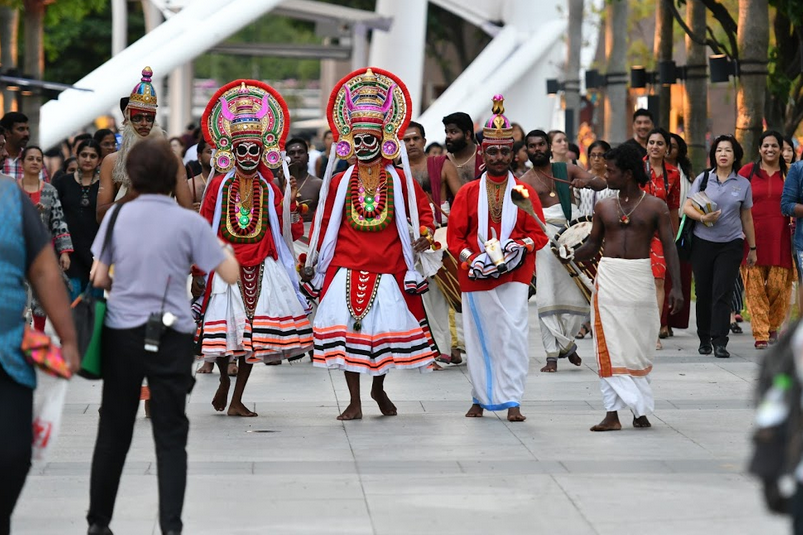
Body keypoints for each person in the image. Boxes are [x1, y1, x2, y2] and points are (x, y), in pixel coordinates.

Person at [85, 138, 238, 535]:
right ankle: (171, 526)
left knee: (113, 431)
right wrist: (221, 247)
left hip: (122, 333)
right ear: (173, 177)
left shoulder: (117, 218)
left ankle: (98, 522)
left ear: (131, 176)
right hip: (171, 335)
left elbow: (98, 277)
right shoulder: (187, 222)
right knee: (171, 434)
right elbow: (228, 274)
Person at [302, 67, 437, 421]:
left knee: (383, 334)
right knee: (346, 337)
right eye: (356, 140)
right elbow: (322, 221)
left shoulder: (398, 178)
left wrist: (425, 231)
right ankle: (355, 401)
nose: (362, 146)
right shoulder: (339, 180)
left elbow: (423, 211)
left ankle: (378, 387)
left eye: (369, 140)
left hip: (389, 264)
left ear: (383, 140)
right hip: (346, 262)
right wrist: (313, 256)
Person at [195, 79, 313, 417]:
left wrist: (290, 200)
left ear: (264, 151)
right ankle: (222, 382)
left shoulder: (270, 186)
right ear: (230, 152)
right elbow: (204, 228)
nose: (248, 156)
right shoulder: (219, 185)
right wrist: (199, 272)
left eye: (254, 150)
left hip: (262, 268)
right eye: (241, 150)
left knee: (250, 339)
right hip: (224, 267)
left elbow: (286, 229)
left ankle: (237, 398)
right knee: (221, 339)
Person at [566, 143, 683, 431]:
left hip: (640, 278)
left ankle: (639, 409)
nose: (606, 176)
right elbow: (593, 245)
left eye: (612, 171)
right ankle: (612, 414)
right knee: (610, 347)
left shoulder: (655, 206)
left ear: (628, 174)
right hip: (610, 280)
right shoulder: (603, 205)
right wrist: (570, 253)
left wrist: (676, 287)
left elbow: (670, 247)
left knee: (639, 346)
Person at [447, 95, 547, 421]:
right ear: (483, 154)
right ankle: (479, 396)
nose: (500, 157)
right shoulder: (468, 193)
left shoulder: (524, 193)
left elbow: (540, 234)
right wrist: (471, 258)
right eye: (493, 151)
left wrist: (520, 247)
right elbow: (454, 238)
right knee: (479, 338)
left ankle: (513, 400)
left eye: (505, 151)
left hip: (515, 277)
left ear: (513, 155)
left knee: (514, 336)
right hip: (474, 275)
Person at [0, 176, 81, 535]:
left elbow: (44, 267)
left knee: (14, 454)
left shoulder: (10, 197)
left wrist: (68, 338)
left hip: (8, 351)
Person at [518, 129, 608, 372]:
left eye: (540, 145)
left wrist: (585, 181)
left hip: (571, 237)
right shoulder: (524, 181)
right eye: (532, 146)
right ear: (527, 151)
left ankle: (567, 344)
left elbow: (602, 182)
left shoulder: (566, 169)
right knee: (547, 296)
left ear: (548, 147)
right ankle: (552, 355)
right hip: (544, 241)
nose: (537, 149)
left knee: (575, 295)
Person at [685, 134, 756, 358]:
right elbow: (687, 207)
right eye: (719, 150)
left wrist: (752, 248)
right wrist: (702, 218)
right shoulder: (704, 179)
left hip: (731, 244)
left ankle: (720, 341)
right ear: (713, 155)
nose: (723, 154)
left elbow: (747, 218)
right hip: (703, 243)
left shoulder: (743, 184)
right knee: (704, 292)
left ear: (735, 155)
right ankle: (704, 338)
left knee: (722, 292)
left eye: (728, 150)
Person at [96, 67, 192, 222]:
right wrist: (131, 196)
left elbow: (187, 212)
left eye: (149, 119)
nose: (144, 124)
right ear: (127, 119)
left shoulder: (172, 160)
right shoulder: (112, 161)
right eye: (138, 118)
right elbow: (100, 216)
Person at [403, 120, 463, 368]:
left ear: (424, 141)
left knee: (450, 292)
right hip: (411, 240)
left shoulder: (441, 165)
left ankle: (455, 346)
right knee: (424, 295)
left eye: (415, 138)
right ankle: (434, 349)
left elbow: (461, 201)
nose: (411, 143)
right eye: (406, 140)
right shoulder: (396, 171)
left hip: (442, 235)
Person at [739, 131, 793, 349]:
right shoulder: (747, 173)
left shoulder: (790, 174)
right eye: (766, 146)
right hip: (751, 238)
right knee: (754, 288)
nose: (770, 150)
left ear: (781, 149)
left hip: (782, 238)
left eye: (774, 146)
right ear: (759, 149)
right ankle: (761, 334)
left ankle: (772, 326)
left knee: (780, 288)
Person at [17, 146, 73, 331]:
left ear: (42, 164)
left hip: (42, 256)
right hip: (17, 256)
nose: (34, 162)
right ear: (22, 163)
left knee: (40, 303)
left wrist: (64, 252)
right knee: (18, 302)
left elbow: (58, 221)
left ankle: (38, 345)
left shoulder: (50, 191)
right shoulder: (12, 189)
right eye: (30, 158)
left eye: (38, 159)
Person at [642, 128, 681, 346]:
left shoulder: (673, 173)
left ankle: (653, 333)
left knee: (658, 280)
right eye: (651, 142)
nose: (655, 147)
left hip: (659, 233)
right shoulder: (636, 168)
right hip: (635, 232)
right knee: (637, 283)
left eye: (659, 143)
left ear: (667, 148)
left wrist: (672, 240)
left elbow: (673, 208)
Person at [53, 139, 102, 302]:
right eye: (84, 155)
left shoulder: (105, 185)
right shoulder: (63, 182)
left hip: (95, 254)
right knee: (71, 307)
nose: (88, 159)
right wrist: (62, 250)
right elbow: (56, 216)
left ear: (100, 160)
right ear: (77, 156)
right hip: (69, 254)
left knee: (94, 312)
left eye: (93, 156)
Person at [665, 132, 694, 331]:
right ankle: (662, 321)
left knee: (680, 274)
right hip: (660, 226)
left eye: (672, 146)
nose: (668, 149)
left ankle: (675, 319)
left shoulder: (686, 172)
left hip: (684, 226)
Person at [441, 111, 483, 196]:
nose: (448, 136)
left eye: (453, 132)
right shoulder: (444, 162)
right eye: (447, 132)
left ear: (467, 134)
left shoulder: (484, 156)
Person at [285, 137, 323, 222]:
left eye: (301, 152)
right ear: (285, 158)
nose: (296, 155)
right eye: (292, 153)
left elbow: (326, 215)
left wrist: (311, 215)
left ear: (308, 157)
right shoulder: (276, 183)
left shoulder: (319, 184)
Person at [187, 137, 212, 211]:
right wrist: (190, 210)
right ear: (199, 157)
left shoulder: (230, 182)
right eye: (210, 152)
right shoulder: (190, 185)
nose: (215, 155)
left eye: (218, 152)